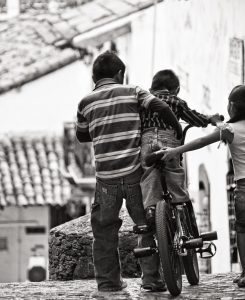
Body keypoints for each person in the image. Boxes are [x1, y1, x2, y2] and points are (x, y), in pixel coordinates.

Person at [76, 51, 182, 292]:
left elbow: (81, 135)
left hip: (106, 180)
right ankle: (151, 279)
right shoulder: (132, 90)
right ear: (120, 74)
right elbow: (159, 105)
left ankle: (108, 283)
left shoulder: (85, 102)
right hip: (136, 174)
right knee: (146, 225)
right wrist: (176, 127)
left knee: (103, 232)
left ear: (94, 77)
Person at [160, 85, 245, 288]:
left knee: (241, 228)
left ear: (231, 105)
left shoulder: (229, 131)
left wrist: (175, 150)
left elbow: (202, 141)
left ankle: (244, 270)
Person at [140, 69, 219, 224]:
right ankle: (180, 204)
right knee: (173, 170)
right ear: (176, 90)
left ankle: (151, 207)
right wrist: (209, 119)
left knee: (148, 172)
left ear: (151, 88)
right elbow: (195, 118)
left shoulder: (144, 100)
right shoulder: (177, 102)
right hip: (168, 139)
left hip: (147, 139)